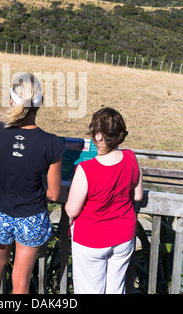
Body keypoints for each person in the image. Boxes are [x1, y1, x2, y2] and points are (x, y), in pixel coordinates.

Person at [0, 73, 64, 294]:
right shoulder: (52, 143)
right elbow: (53, 194)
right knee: (21, 279)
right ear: (40, 103)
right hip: (31, 216)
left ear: (10, 100)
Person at [65, 107, 143, 294]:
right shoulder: (131, 157)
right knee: (116, 289)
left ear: (98, 136)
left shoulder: (86, 169)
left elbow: (71, 210)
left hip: (91, 239)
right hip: (124, 236)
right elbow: (138, 195)